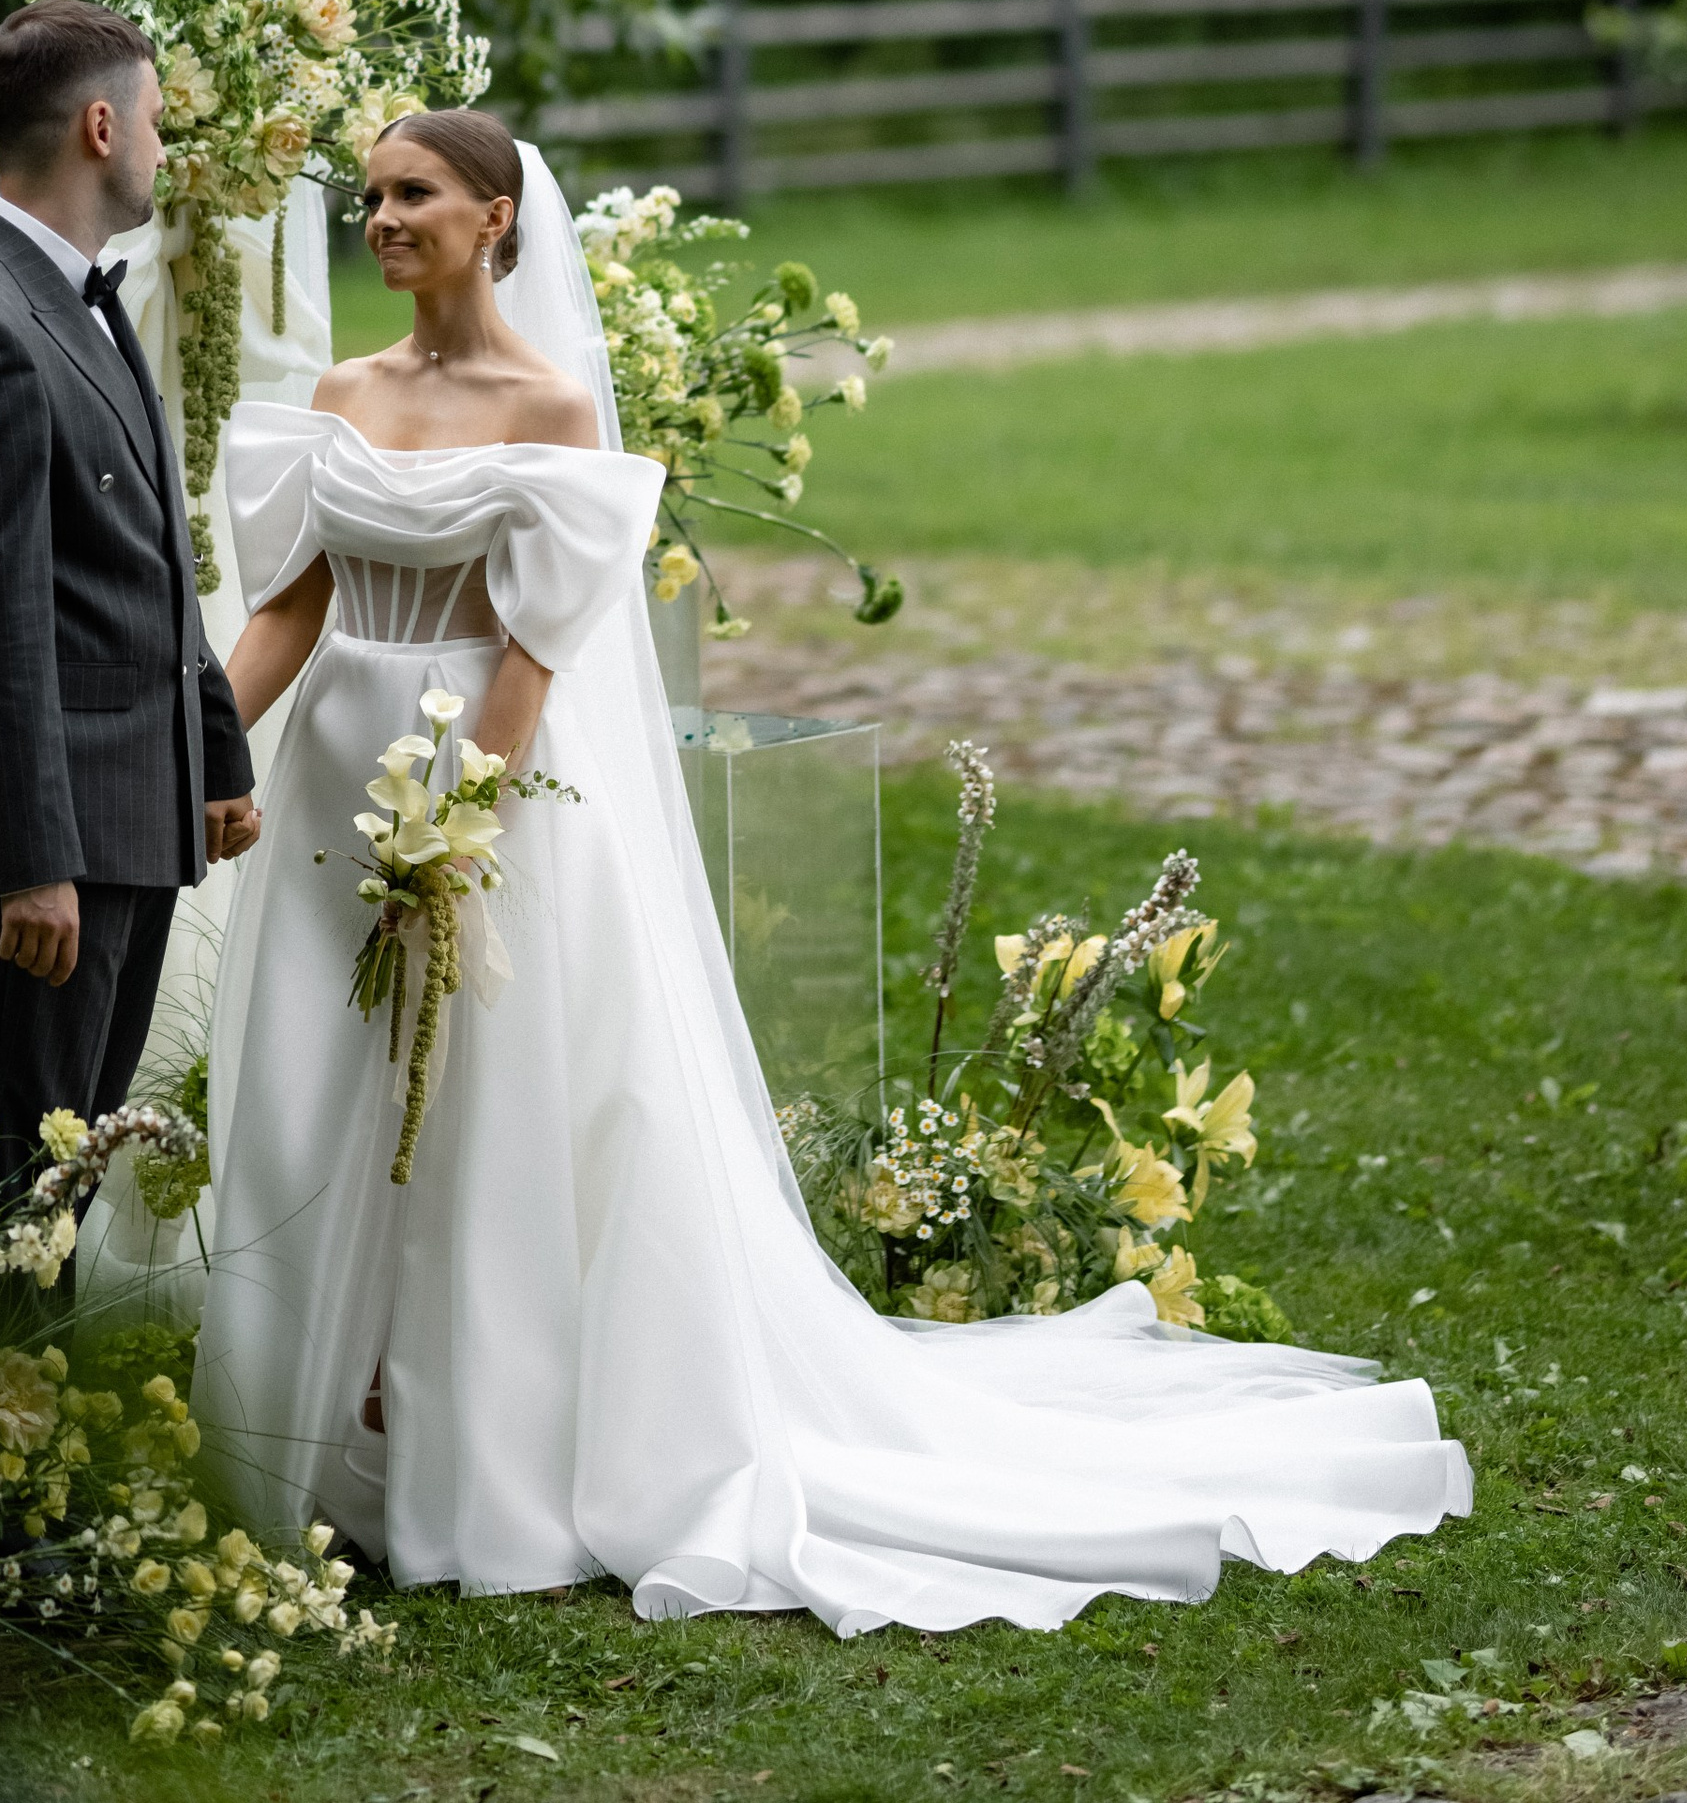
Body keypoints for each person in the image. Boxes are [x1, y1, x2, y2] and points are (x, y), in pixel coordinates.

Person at [191, 108, 1470, 1628]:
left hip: (480, 795)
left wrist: (456, 826)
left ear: (495, 221)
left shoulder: (547, 407)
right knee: (321, 1083)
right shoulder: (345, 393)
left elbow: (536, 646)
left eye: (415, 194)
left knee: (479, 1106)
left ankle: (480, 1447)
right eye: (376, 195)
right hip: (341, 769)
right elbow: (293, 605)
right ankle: (320, 1422)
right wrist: (208, 744)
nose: (383, 216)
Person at [0, 0, 260, 1170]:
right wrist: (30, 859)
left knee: (63, 1179)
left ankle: (5, 1362)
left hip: (129, 812)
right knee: (10, 1185)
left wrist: (215, 752)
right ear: (101, 125)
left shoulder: (78, 296)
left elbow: (136, 554)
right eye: (155, 120)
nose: (165, 146)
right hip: (52, 851)